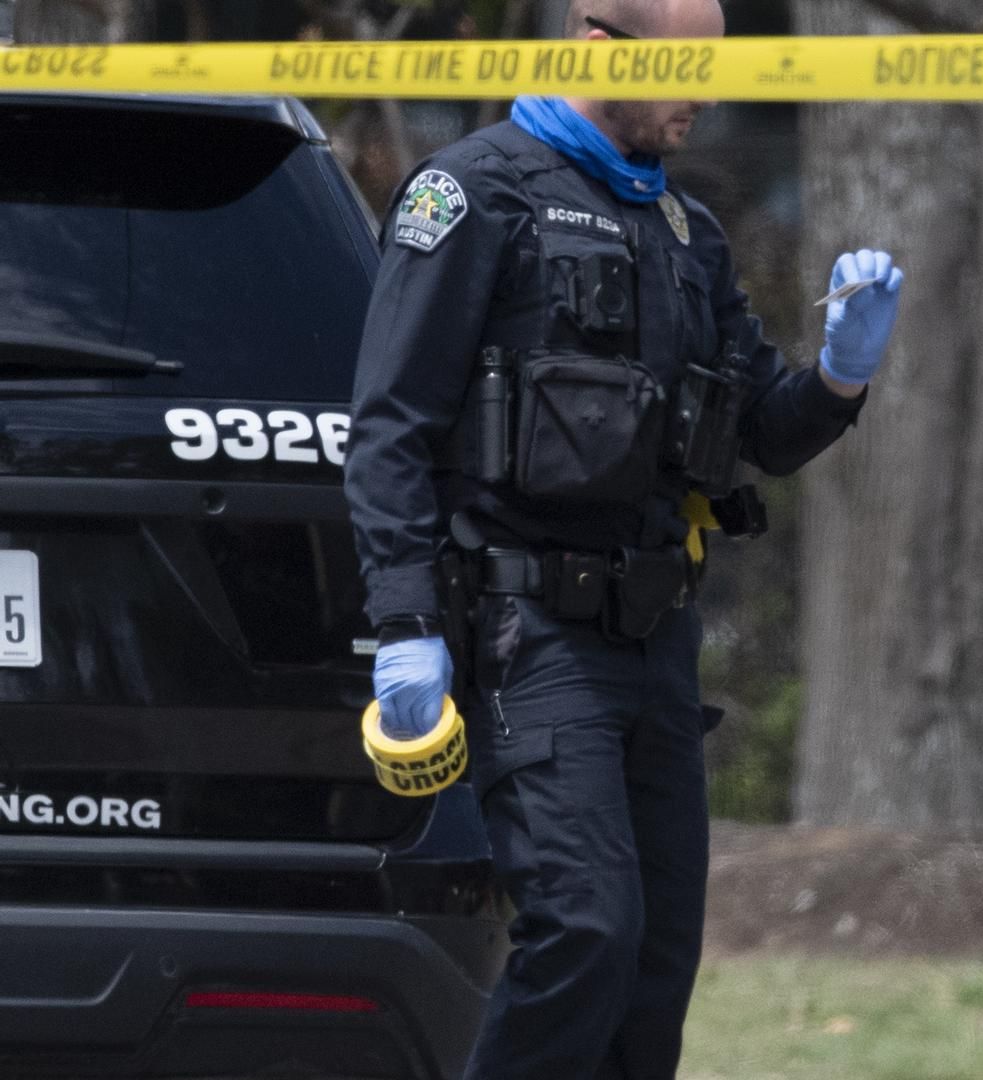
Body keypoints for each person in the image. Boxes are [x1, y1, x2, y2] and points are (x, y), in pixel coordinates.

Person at [343, 1, 904, 1075]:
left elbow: (759, 436)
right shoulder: (473, 196)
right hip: (528, 637)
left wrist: (840, 375)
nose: (704, 95)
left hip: (655, 647)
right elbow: (391, 430)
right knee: (584, 929)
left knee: (653, 972)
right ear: (601, 50)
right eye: (687, 68)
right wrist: (406, 623)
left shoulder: (685, 233)